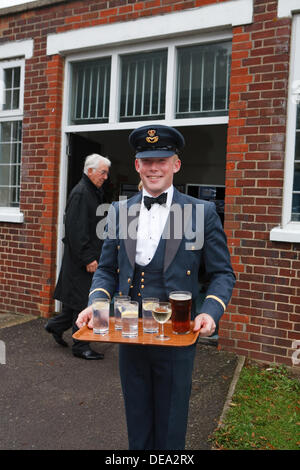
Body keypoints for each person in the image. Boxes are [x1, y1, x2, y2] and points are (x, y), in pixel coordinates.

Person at [76, 125, 235, 447]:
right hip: (129, 329)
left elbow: (222, 273)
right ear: (137, 165)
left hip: (178, 333)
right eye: (147, 160)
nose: (154, 167)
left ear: (176, 164)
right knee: (136, 411)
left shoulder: (199, 212)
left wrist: (210, 313)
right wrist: (96, 304)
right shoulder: (121, 211)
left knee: (172, 416)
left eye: (162, 160)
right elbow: (106, 269)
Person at [45, 153, 111, 360]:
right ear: (90, 171)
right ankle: (81, 346)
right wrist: (89, 259)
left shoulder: (92, 191)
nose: (106, 177)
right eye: (103, 172)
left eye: (107, 173)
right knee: (85, 302)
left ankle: (55, 326)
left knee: (75, 302)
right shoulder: (82, 194)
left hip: (85, 258)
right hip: (83, 261)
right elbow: (76, 230)